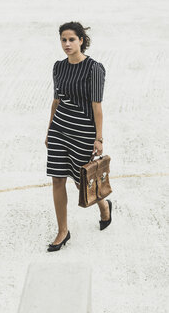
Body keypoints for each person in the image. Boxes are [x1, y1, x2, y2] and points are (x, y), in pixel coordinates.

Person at [45, 21, 112, 252]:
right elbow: (56, 100)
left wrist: (99, 138)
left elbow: (96, 106)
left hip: (83, 132)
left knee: (81, 181)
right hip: (59, 129)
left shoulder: (94, 69)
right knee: (57, 179)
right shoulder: (58, 67)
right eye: (63, 40)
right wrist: (49, 129)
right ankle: (63, 230)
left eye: (71, 39)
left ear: (81, 40)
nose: (67, 44)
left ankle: (104, 206)